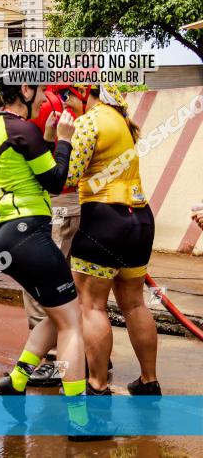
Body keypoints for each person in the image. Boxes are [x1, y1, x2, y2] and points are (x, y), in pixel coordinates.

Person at [0, 75, 106, 441]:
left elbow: (29, 169)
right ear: (24, 91)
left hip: (5, 236)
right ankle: (80, 421)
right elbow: (55, 180)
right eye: (38, 88)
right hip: (27, 234)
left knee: (59, 308)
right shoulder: (22, 128)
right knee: (72, 321)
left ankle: (17, 380)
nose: (45, 96)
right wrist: (65, 139)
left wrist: (49, 138)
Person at [66, 84, 160, 396]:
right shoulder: (124, 123)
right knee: (134, 303)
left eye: (69, 95)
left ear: (84, 94)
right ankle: (149, 380)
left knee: (92, 305)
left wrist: (60, 141)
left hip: (104, 218)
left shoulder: (89, 122)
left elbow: (69, 175)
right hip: (140, 218)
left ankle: (97, 385)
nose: (66, 101)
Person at [23, 85, 89, 387]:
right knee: (74, 286)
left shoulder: (48, 104)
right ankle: (85, 352)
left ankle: (50, 360)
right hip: (82, 203)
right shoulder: (85, 105)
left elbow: (43, 162)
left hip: (57, 204)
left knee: (41, 285)